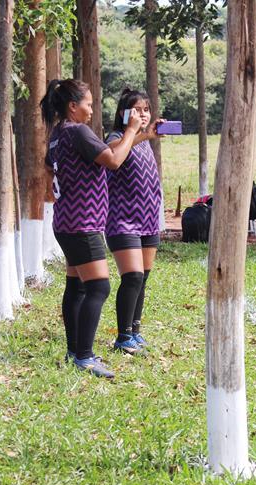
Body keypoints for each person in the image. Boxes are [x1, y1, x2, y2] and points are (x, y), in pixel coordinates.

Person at [41, 79, 141, 379]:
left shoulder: (58, 134)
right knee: (99, 286)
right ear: (73, 106)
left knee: (77, 285)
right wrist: (132, 131)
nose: (91, 109)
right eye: (87, 103)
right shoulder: (78, 130)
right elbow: (112, 160)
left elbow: (50, 166)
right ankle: (84, 356)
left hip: (66, 220)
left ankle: (75, 351)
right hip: (82, 224)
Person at [104, 88, 164, 354]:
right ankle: (122, 336)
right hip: (122, 220)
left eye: (146, 109)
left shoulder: (144, 140)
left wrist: (147, 135)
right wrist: (137, 133)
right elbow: (112, 154)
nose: (143, 113)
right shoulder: (117, 137)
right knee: (132, 276)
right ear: (123, 113)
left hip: (148, 218)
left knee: (143, 278)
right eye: (137, 109)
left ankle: (135, 331)